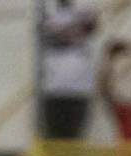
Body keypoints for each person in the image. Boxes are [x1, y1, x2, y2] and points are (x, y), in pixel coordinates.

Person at [39, 0, 100, 139]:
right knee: (53, 138)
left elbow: (92, 24)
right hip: (53, 89)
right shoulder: (47, 13)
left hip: (79, 89)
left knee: (75, 140)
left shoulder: (85, 10)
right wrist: (72, 29)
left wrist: (68, 29)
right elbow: (50, 30)